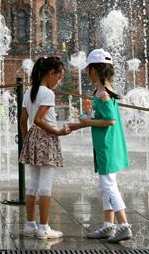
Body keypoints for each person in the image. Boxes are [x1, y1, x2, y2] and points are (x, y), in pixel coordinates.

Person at [68, 49, 132, 243]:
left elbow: (110, 120)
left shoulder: (103, 93)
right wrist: (80, 123)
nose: (87, 73)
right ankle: (108, 225)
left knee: (108, 185)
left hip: (106, 145)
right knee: (105, 185)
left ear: (95, 70)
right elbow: (101, 117)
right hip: (104, 143)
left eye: (89, 69)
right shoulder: (102, 90)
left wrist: (87, 122)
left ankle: (124, 226)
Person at [19, 56, 71, 240]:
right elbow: (39, 120)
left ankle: (30, 224)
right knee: (46, 186)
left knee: (33, 184)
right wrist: (58, 132)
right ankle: (44, 228)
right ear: (51, 73)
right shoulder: (48, 94)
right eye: (59, 76)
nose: (59, 81)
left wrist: (27, 142)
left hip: (33, 137)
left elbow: (23, 121)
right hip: (46, 138)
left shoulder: (29, 92)